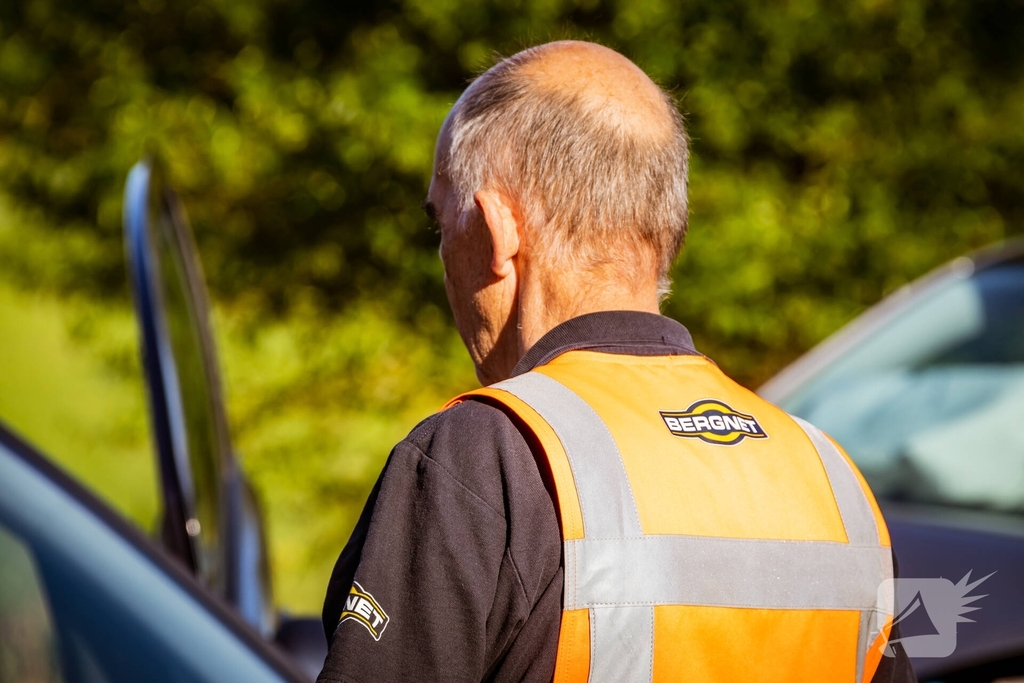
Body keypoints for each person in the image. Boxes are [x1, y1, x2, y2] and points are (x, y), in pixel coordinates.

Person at [317, 40, 916, 683]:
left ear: (497, 230)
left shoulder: (488, 454)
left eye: (442, 223)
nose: (443, 257)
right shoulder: (832, 481)